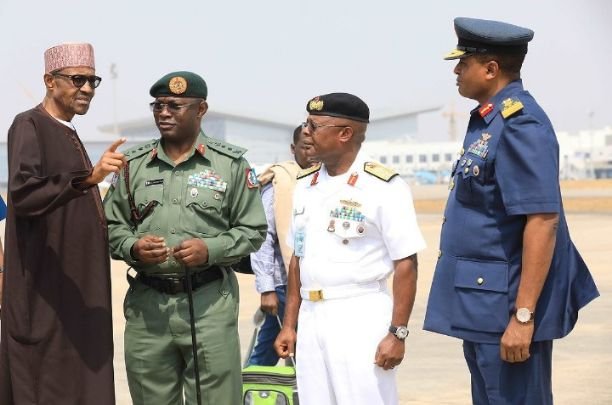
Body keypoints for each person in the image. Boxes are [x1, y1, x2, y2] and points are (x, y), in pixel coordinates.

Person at [423, 17, 600, 404]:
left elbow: (542, 220)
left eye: (463, 62)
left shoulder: (521, 124)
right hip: (483, 307)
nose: (456, 71)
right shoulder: (489, 121)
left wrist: (523, 316)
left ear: (490, 69)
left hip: (506, 311)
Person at [104, 71, 267, 405]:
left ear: (200, 109)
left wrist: (211, 249)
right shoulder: (132, 165)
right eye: (158, 105)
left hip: (209, 303)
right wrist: (133, 246)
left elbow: (253, 230)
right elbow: (110, 226)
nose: (164, 113)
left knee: (216, 399)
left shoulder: (230, 165)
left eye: (175, 106)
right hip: (148, 306)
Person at [274, 93, 426, 404]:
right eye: (306, 124)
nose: (306, 133)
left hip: (359, 314)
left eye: (315, 126)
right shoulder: (305, 185)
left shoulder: (383, 186)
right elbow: (298, 259)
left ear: (345, 133)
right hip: (311, 316)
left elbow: (406, 263)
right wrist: (289, 324)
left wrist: (397, 333)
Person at [0, 43, 124, 404]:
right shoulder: (29, 124)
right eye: (77, 80)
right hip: (45, 299)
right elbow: (24, 194)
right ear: (49, 81)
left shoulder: (68, 131)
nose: (87, 89)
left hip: (79, 295)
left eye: (92, 81)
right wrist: (88, 179)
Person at [246, 125, 314, 366]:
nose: (312, 153)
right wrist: (267, 289)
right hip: (285, 283)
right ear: (293, 149)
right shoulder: (281, 181)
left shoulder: (325, 180)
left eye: (316, 146)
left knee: (280, 348)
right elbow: (263, 238)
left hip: (315, 282)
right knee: (278, 349)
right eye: (306, 147)